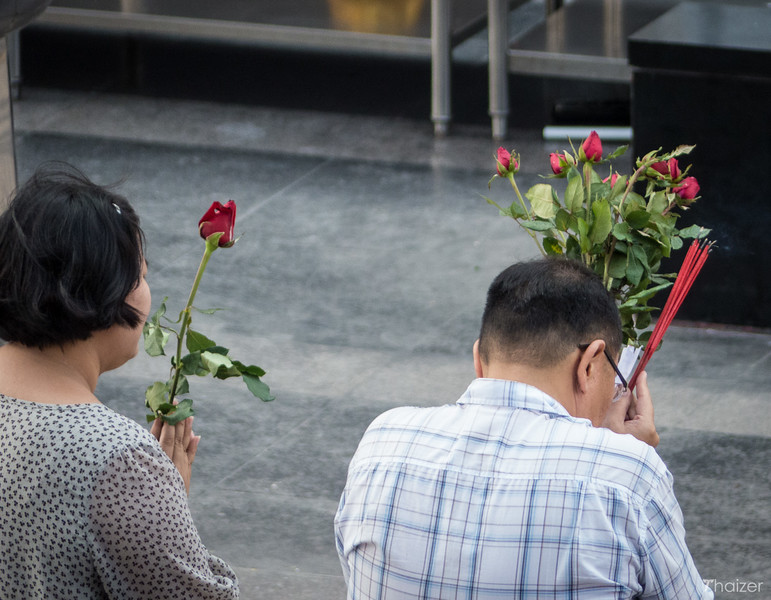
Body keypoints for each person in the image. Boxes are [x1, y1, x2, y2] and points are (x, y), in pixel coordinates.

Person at [335, 258, 713, 599]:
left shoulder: (381, 444)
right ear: (590, 364)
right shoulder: (628, 478)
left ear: (479, 360)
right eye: (614, 379)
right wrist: (622, 456)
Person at [0, 165, 239, 599]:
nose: (147, 289)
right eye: (142, 275)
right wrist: (163, 502)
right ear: (107, 289)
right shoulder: (118, 461)